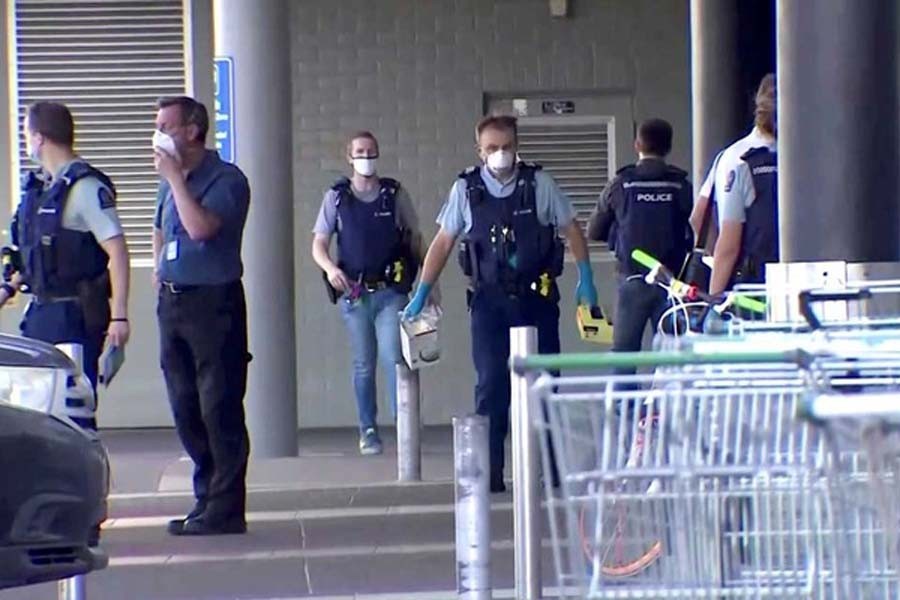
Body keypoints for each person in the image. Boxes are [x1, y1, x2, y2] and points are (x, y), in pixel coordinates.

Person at [403, 115, 598, 493]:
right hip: (489, 302)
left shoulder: (539, 184)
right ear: (479, 151)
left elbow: (571, 228)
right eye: (492, 148)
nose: (500, 154)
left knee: (546, 384)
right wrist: (422, 292)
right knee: (491, 385)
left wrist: (586, 278)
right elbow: (443, 241)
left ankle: (552, 471)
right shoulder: (466, 189)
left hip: (536, 298)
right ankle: (491, 473)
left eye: (507, 146)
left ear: (517, 145)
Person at [152, 96, 251, 536]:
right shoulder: (167, 183)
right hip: (173, 301)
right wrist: (160, 269)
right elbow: (160, 228)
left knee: (218, 405)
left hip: (213, 304)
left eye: (165, 126)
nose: (158, 135)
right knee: (185, 405)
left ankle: (226, 508)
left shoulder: (227, 180)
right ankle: (205, 497)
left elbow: (200, 228)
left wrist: (176, 179)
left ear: (192, 131)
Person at [1, 101, 130, 429]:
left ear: (39, 137)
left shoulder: (86, 188)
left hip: (74, 315)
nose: (27, 142)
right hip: (40, 314)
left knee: (70, 413)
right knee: (33, 411)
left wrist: (119, 316)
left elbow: (117, 250)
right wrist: (6, 289)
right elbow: (28, 257)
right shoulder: (40, 190)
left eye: (27, 134)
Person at [311, 131, 423, 455]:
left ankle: (404, 423)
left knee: (394, 357)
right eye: (359, 152)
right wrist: (330, 269)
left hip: (391, 291)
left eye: (371, 151)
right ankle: (368, 428)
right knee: (363, 363)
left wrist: (430, 284)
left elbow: (416, 238)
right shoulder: (337, 197)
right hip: (355, 293)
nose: (365, 157)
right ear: (349, 157)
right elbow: (318, 243)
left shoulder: (394, 194)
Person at [587, 118, 693, 363]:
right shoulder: (680, 185)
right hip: (671, 281)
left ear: (637, 145)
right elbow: (697, 227)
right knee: (672, 357)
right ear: (668, 147)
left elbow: (593, 230)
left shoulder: (621, 183)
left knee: (624, 356)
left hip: (631, 278)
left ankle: (623, 391)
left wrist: (617, 236)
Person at [691, 73, 778, 295]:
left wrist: (714, 298)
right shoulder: (806, 158)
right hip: (801, 282)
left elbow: (718, 235)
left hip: (752, 287)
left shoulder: (735, 159)